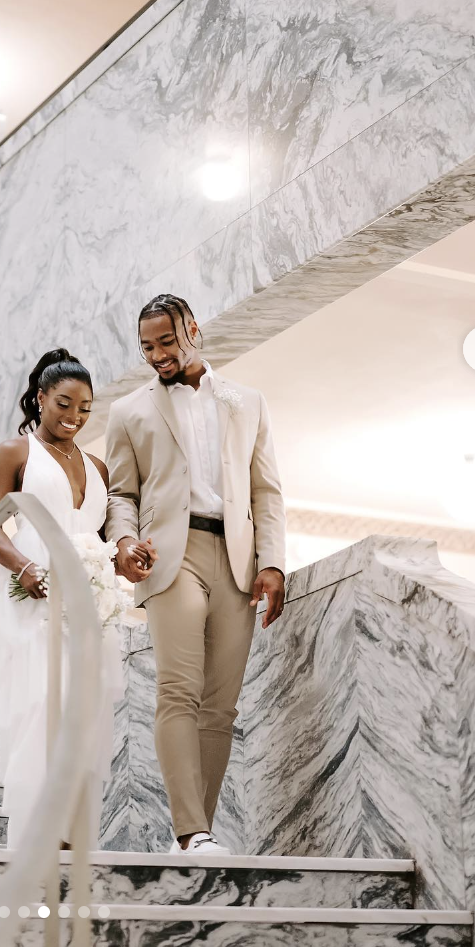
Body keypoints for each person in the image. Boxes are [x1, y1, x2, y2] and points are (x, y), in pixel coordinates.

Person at [105, 294, 286, 856]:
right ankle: (191, 830)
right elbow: (121, 494)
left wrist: (274, 561)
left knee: (222, 704)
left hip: (235, 559)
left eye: (167, 341)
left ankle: (194, 838)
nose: (158, 354)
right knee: (178, 688)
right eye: (147, 346)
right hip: (169, 557)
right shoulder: (129, 411)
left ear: (193, 330)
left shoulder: (247, 401)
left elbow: (266, 490)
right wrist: (124, 539)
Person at [0, 349, 150, 849]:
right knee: (39, 704)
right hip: (36, 592)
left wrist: (123, 562)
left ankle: (73, 834)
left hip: (89, 603)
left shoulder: (96, 465)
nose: (74, 417)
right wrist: (25, 567)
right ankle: (36, 831)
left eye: (84, 408)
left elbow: (100, 538)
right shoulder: (14, 453)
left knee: (83, 709)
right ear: (40, 399)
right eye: (63, 404)